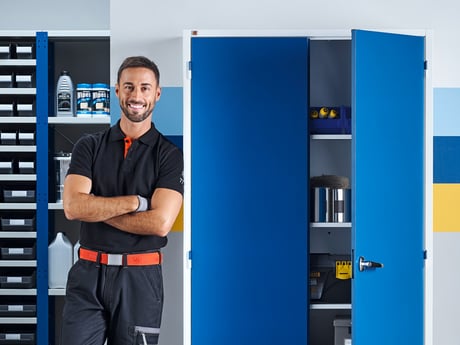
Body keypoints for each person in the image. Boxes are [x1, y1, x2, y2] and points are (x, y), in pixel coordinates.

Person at [61, 56, 184, 345]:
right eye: (129, 87)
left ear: (157, 93)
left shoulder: (168, 155)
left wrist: (96, 206)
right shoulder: (88, 146)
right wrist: (133, 203)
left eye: (144, 88)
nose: (136, 96)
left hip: (140, 279)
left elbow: (160, 223)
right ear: (117, 91)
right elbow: (73, 207)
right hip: (87, 274)